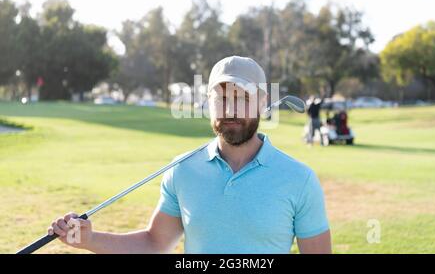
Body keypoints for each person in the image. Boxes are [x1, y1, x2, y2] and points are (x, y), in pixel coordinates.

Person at [48, 56, 331, 254]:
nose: (231, 109)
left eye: (243, 98)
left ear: (263, 102)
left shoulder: (299, 179)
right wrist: (90, 239)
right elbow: (154, 244)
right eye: (222, 98)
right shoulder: (183, 170)